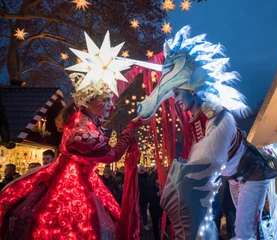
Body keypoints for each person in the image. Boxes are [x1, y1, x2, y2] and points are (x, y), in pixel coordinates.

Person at [138, 26, 277, 240]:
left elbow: (207, 161)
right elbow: (194, 160)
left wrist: (180, 187)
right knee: (241, 228)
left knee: (244, 232)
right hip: (236, 179)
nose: (176, 100)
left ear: (192, 90)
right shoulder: (195, 120)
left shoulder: (218, 115)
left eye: (178, 93)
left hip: (253, 175)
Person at [0, 32, 143, 240]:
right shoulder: (82, 133)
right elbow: (112, 155)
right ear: (87, 103)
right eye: (105, 100)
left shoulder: (85, 119)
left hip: (86, 183)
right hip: (70, 191)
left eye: (111, 99)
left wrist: (137, 70)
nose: (111, 105)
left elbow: (117, 89)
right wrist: (132, 126)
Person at [147, 173, 163, 240]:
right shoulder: (151, 187)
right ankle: (157, 237)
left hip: (161, 207)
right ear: (155, 180)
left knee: (161, 223)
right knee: (155, 223)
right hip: (154, 207)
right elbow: (149, 197)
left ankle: (162, 235)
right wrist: (156, 194)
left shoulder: (162, 186)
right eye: (158, 179)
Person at [138, 165, 150, 231]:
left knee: (144, 212)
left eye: (142, 170)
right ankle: (139, 225)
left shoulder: (146, 176)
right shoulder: (137, 177)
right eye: (141, 170)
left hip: (145, 197)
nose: (142, 172)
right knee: (139, 212)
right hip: (139, 197)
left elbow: (148, 185)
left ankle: (145, 224)